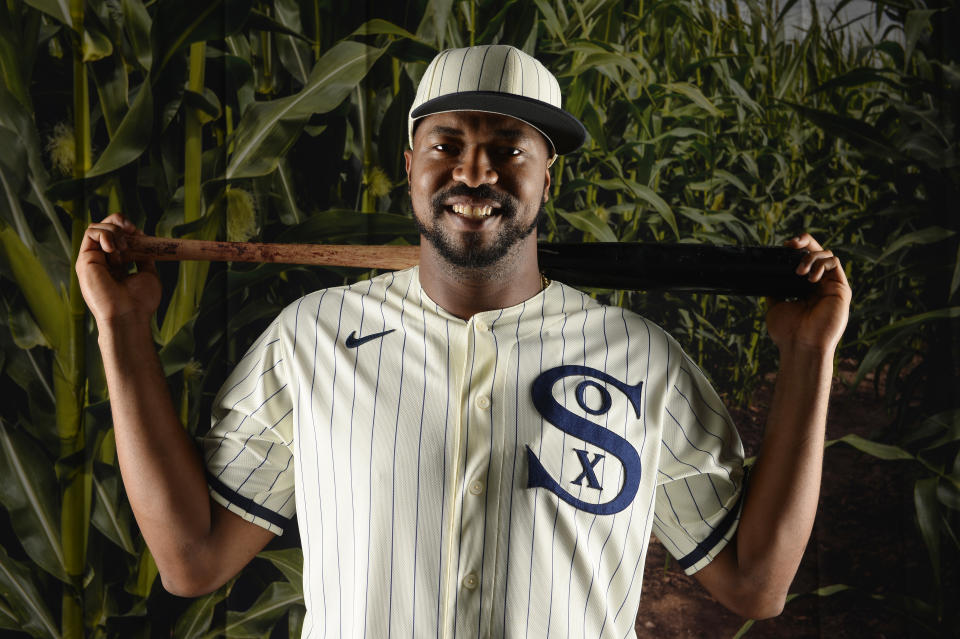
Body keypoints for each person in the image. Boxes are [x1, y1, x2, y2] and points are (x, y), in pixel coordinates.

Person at [76, 45, 851, 638]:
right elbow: (191, 560)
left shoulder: (641, 357)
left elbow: (756, 584)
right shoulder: (311, 339)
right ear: (410, 167)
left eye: (510, 147)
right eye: (446, 144)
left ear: (549, 177)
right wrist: (123, 328)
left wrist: (810, 355)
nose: (474, 170)